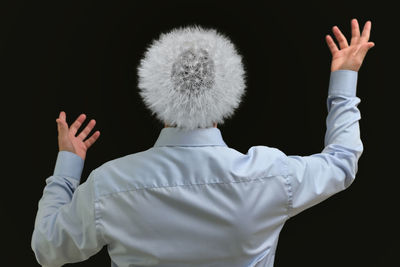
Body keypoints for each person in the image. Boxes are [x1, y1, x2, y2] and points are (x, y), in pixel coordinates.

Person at [31, 18, 374, 267]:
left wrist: (67, 166)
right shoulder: (271, 175)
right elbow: (342, 162)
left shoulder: (109, 185)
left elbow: (47, 249)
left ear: (155, 93)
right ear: (227, 91)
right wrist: (345, 78)